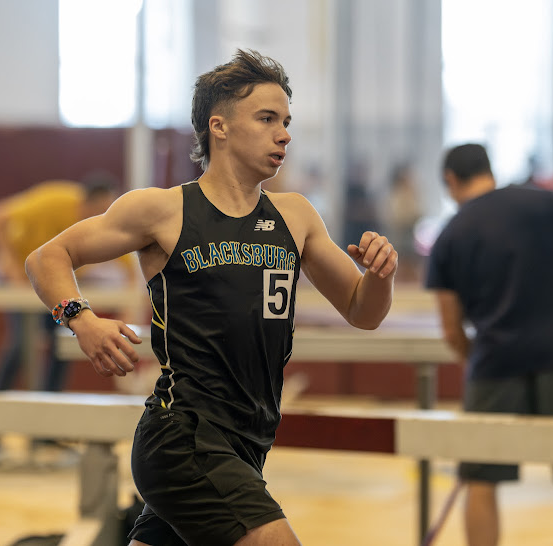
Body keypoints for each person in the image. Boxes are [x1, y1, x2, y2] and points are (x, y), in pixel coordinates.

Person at [24, 49, 398, 546]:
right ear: (218, 127)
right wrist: (82, 319)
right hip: (184, 434)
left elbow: (362, 311)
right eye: (266, 119)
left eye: (286, 120)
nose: (283, 133)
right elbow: (46, 258)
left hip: (248, 443)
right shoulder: (163, 210)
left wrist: (380, 274)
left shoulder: (296, 216)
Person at [426, 143, 553, 546]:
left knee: (480, 481)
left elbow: (450, 328)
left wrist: (473, 357)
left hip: (494, 365)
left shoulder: (449, 235)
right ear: (489, 170)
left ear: (450, 180)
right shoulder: (548, 203)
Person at [0, 174, 137, 469]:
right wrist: (7, 262)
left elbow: (130, 273)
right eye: (97, 210)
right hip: (24, 279)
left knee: (64, 345)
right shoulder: (54, 201)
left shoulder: (106, 224)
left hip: (59, 286)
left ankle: (45, 432)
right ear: (84, 202)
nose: (100, 216)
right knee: (20, 348)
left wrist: (128, 314)